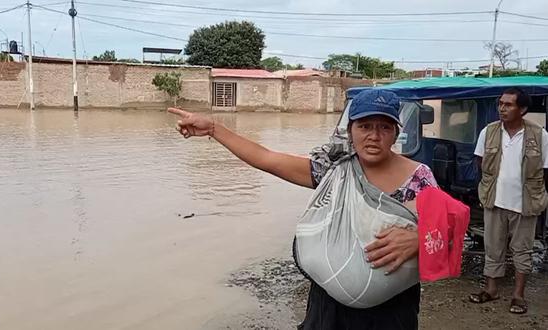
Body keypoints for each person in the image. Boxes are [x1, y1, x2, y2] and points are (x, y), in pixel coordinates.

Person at [169, 89, 438, 329]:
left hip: (391, 308)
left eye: (384, 127)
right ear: (350, 130)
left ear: (396, 132)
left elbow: (447, 236)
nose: (374, 136)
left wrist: (418, 239)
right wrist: (214, 129)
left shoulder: (418, 178)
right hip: (329, 305)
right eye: (365, 126)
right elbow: (267, 159)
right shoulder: (334, 169)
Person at [469, 87, 548, 314]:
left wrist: (536, 195)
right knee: (493, 248)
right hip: (495, 201)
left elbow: (545, 170)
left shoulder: (539, 135)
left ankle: (518, 296)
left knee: (522, 251)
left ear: (522, 109)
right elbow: (480, 163)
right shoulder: (489, 131)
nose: (502, 108)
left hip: (525, 204)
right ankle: (491, 289)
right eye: (500, 104)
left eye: (508, 104)